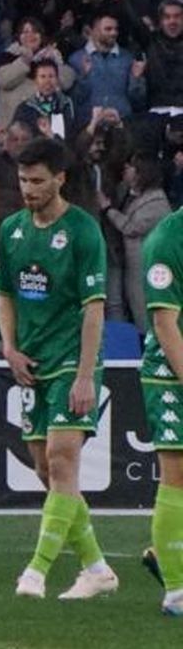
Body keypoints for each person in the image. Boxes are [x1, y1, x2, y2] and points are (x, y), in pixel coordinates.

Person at [0, 137, 117, 601]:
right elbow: (4, 292)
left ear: (60, 179)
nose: (28, 189)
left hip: (71, 360)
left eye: (38, 181)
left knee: (64, 461)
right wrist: (9, 347)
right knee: (46, 471)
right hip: (31, 363)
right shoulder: (12, 230)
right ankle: (97, 567)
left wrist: (86, 376)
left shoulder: (83, 231)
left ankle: (36, 570)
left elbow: (94, 309)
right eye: (23, 180)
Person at [138, 194, 183, 616]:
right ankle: (176, 592)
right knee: (177, 475)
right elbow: (164, 322)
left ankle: (161, 553)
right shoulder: (167, 239)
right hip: (170, 371)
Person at [98, 158, 170, 329]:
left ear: (141, 173)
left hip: (144, 265)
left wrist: (108, 209)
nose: (126, 168)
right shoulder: (132, 194)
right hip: (131, 263)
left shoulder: (157, 202)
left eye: (131, 167)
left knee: (142, 307)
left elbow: (131, 227)